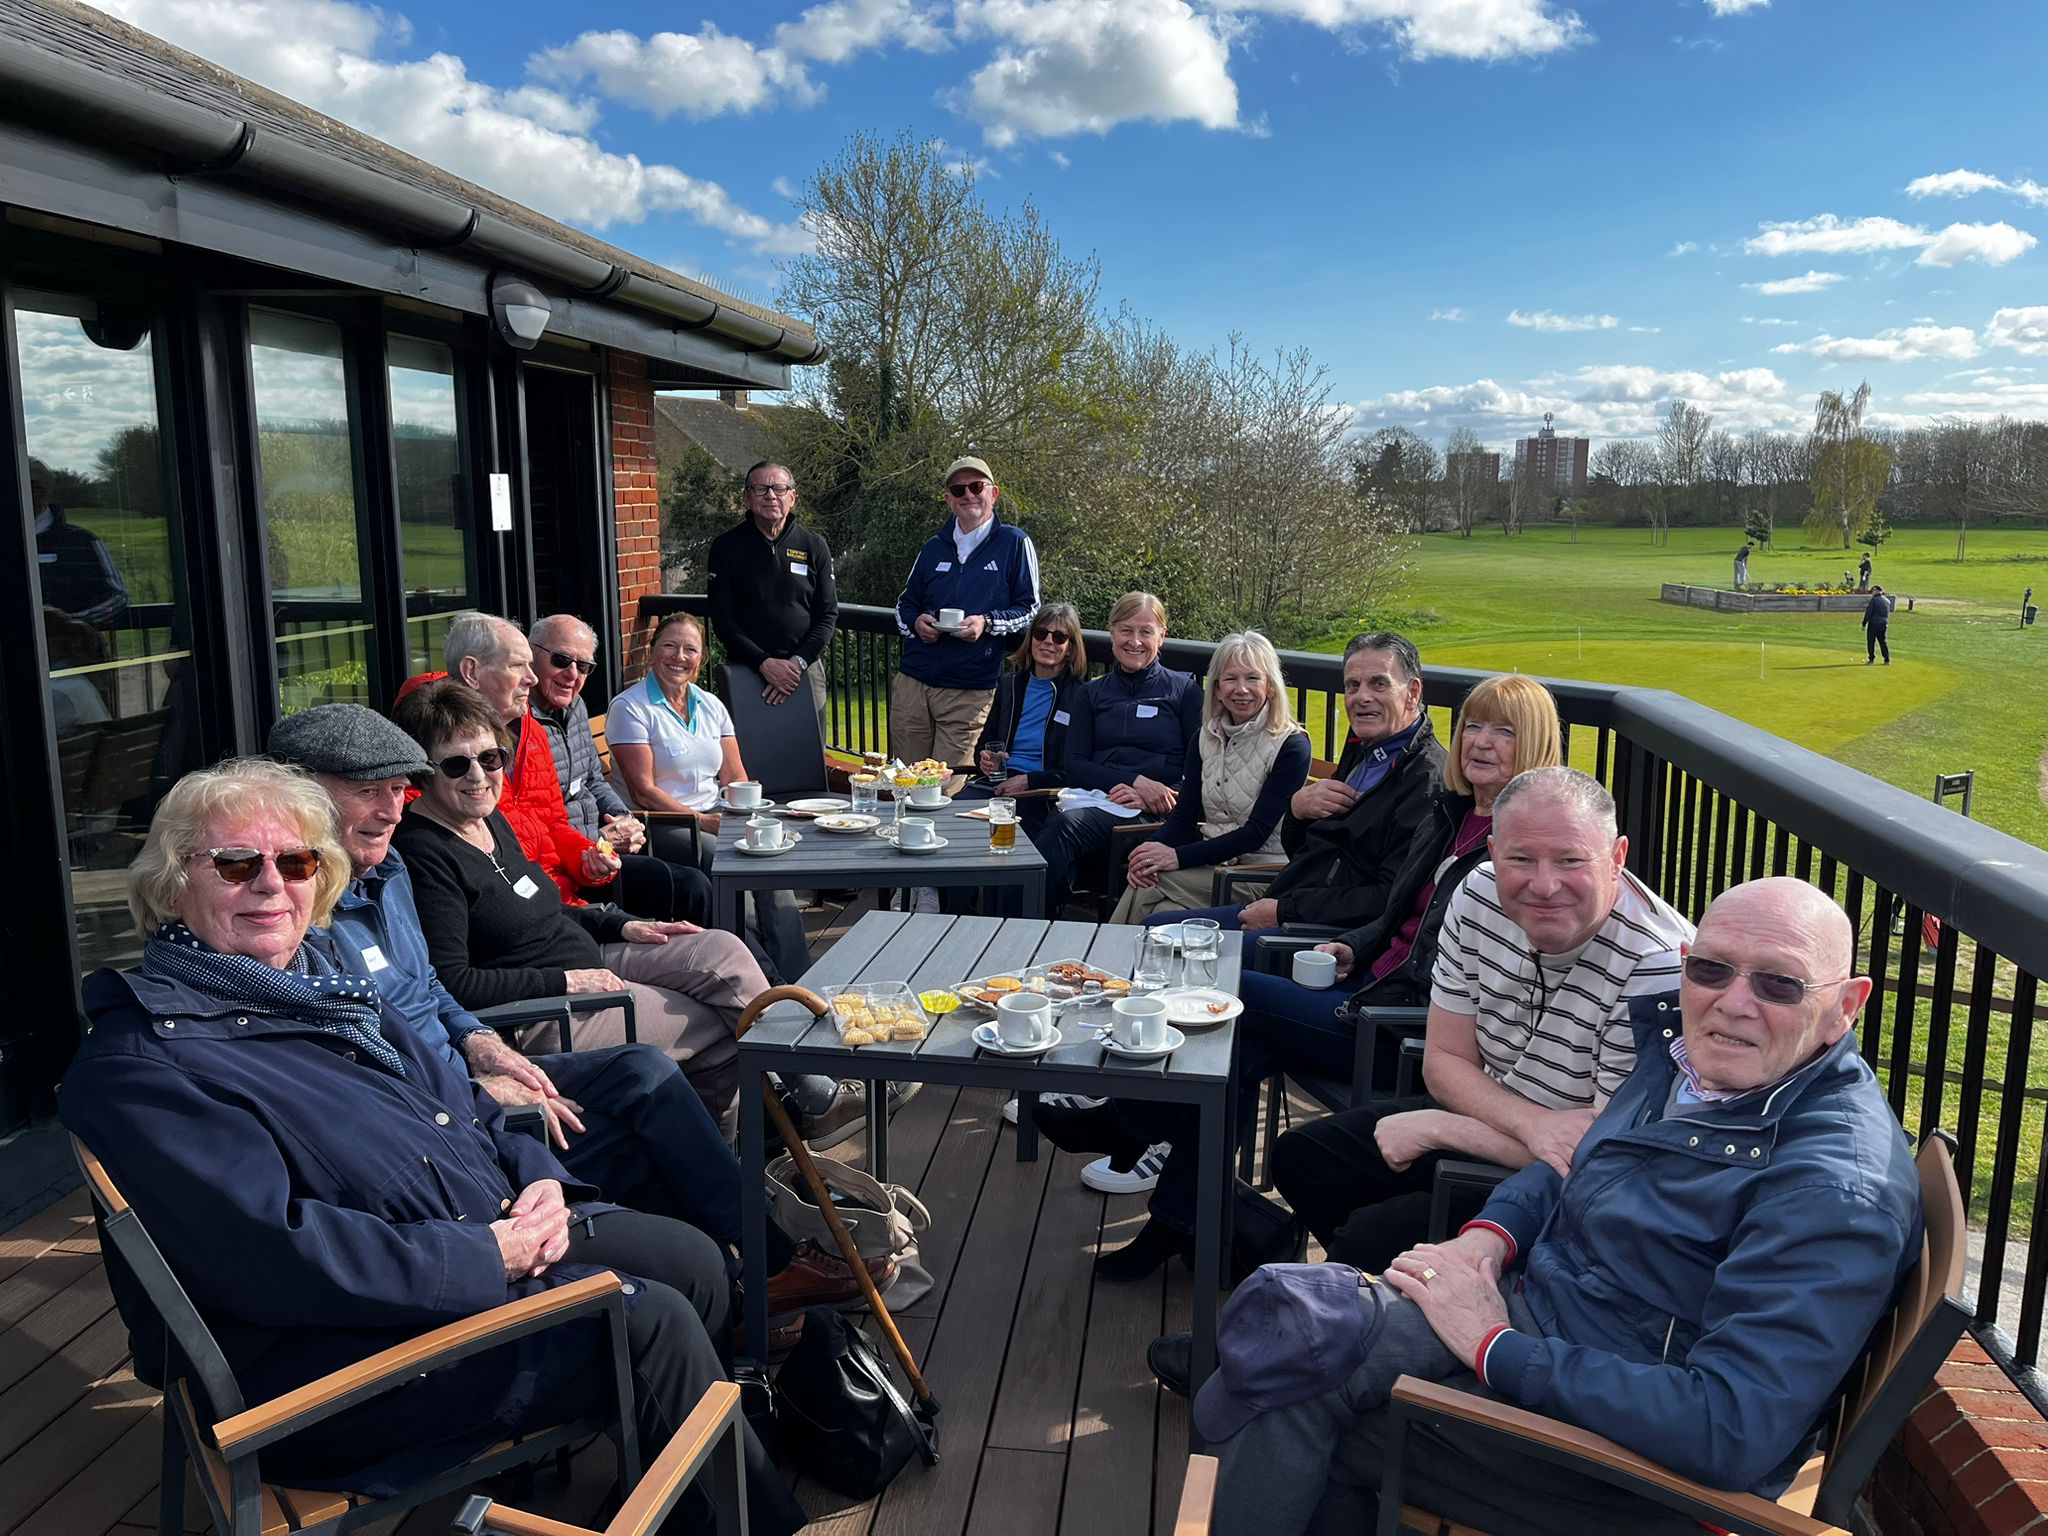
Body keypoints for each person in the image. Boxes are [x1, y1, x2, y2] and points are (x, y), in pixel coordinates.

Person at [58, 758, 804, 1534]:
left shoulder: (323, 989)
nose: (272, 885)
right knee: (649, 1320)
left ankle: (677, 1489)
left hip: (456, 1245)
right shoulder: (146, 1066)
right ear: (172, 884)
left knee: (694, 1263)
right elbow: (273, 1256)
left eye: (297, 861)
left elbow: (463, 1102)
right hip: (336, 1364)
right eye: (237, 863)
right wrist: (491, 1256)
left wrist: (541, 1179)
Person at [1183, 878, 1921, 1536]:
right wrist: (1486, 1239)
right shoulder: (1695, 1065)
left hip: (1625, 1470)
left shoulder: (1832, 1192)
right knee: (1291, 1324)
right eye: (1711, 969)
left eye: (1779, 984)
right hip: (1547, 1323)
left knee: (1287, 1388)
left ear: (1844, 1007)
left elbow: (1727, 1429)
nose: (1732, 1001)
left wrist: (1496, 1348)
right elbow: (1576, 1162)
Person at [270, 703, 887, 1318]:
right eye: (368, 792)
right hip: (487, 1066)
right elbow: (386, 1043)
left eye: (395, 788)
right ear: (303, 800)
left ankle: (754, 1238)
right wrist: (473, 1077)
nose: (391, 808)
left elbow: (431, 987)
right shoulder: (309, 922)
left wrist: (479, 1040)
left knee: (677, 1024)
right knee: (688, 1066)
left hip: (493, 1042)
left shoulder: (389, 873)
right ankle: (760, 1251)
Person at [1265, 766, 1691, 1273]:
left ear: (1617, 858)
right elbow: (1445, 1060)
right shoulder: (1477, 893)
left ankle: (1391, 1296)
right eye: (1521, 859)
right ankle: (1381, 1293)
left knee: (1369, 1240)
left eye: (1571, 859)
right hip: (1507, 1118)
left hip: (1563, 1185)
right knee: (1302, 1157)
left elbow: (1602, 1156)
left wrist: (1443, 1128)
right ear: (1492, 852)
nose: (1544, 885)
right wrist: (1528, 1123)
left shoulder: (1655, 967)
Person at [390, 680, 765, 1131]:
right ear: (423, 773)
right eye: (456, 764)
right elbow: (454, 983)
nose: (478, 776)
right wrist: (567, 981)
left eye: (490, 758)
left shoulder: (489, 819)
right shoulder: (423, 854)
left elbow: (537, 908)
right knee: (713, 1024)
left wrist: (621, 925)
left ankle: (801, 1080)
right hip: (543, 1011)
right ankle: (725, 1154)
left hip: (585, 956)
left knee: (721, 949)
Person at [430, 614, 703, 926]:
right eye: (561, 660)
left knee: (685, 888)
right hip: (534, 897)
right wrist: (595, 844)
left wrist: (605, 838)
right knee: (680, 895)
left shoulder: (545, 721)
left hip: (569, 871)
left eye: (584, 666)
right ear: (471, 672)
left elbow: (577, 794)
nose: (531, 678)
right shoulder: (447, 746)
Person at [1161, 632, 1442, 934]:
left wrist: (1283, 911)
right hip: (1290, 897)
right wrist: (1296, 812)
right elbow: (1310, 848)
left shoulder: (1426, 780)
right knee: (1155, 914)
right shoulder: (1364, 747)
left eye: (1379, 684)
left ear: (1412, 692)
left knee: (1156, 924)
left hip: (1313, 935)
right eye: (1353, 685)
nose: (1362, 697)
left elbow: (1389, 898)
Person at [606, 611, 809, 981]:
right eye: (669, 646)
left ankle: (799, 980)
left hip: (714, 816)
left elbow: (733, 775)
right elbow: (643, 792)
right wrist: (704, 822)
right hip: (660, 824)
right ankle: (763, 981)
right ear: (652, 650)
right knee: (731, 866)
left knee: (771, 864)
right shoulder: (631, 708)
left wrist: (747, 815)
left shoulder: (710, 704)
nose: (679, 656)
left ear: (701, 658)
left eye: (690, 649)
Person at [1111, 630, 1312, 923]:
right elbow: (1184, 817)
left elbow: (1255, 834)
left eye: (1252, 678)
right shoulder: (1205, 738)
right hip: (1213, 868)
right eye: (1230, 679)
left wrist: (1175, 857)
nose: (1241, 689)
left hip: (1262, 876)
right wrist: (1149, 851)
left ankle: (1103, 949)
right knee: (1160, 909)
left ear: (1270, 686)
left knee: (1150, 882)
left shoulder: (1291, 746)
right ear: (1216, 689)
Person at [525, 613, 713, 925]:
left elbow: (593, 780)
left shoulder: (574, 706)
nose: (572, 674)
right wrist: (599, 839)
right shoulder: (518, 724)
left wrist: (623, 818)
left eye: (583, 666)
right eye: (561, 660)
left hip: (600, 849)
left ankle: (743, 955)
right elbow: (531, 823)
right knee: (687, 884)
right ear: (531, 656)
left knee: (695, 884)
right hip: (566, 864)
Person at [1032, 591, 1202, 915]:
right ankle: (1038, 923)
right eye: (1126, 630)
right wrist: (1135, 781)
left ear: (1161, 636)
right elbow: (1075, 764)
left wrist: (1160, 796)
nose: (1134, 641)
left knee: (1064, 828)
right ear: (1112, 633)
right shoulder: (1091, 693)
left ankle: (1020, 924)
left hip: (1154, 818)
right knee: (1048, 827)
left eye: (1145, 631)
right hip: (1098, 802)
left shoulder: (1184, 692)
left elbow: (1200, 769)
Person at [891, 455, 1041, 775]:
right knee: (906, 780)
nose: (968, 495)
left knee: (949, 785)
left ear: (993, 493)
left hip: (969, 689)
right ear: (949, 500)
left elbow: (1030, 609)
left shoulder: (1015, 543)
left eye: (976, 486)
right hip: (913, 684)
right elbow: (905, 605)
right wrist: (917, 623)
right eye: (959, 490)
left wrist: (986, 622)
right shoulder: (933, 547)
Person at [704, 461, 838, 739]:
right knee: (748, 754)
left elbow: (827, 615)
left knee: (808, 754)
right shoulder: (726, 547)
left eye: (779, 488)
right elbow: (721, 616)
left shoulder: (814, 545)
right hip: (746, 670)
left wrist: (797, 664)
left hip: (804, 670)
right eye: (760, 488)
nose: (770, 495)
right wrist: (764, 663)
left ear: (793, 497)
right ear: (746, 497)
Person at [28, 456, 128, 629]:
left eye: (35, 486)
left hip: (66, 644)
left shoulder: (81, 541)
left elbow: (117, 596)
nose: (31, 492)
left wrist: (67, 624)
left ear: (45, 491)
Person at [1864, 583, 1896, 665]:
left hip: (1874, 624)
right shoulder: (1886, 601)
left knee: (1871, 642)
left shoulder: (1874, 600)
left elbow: (1868, 613)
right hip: (1883, 624)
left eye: (1873, 591)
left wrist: (1864, 623)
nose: (1872, 593)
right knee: (1883, 642)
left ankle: (1871, 659)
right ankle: (1887, 660)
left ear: (1876, 591)